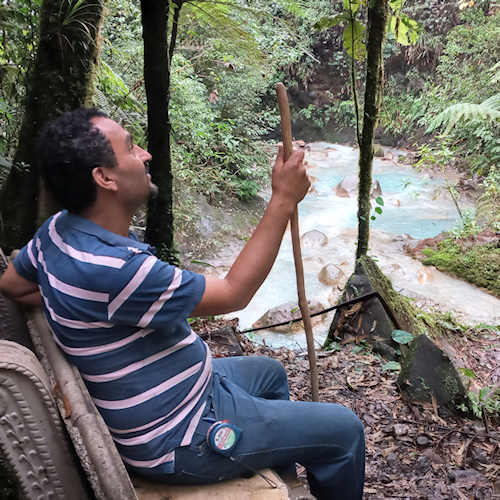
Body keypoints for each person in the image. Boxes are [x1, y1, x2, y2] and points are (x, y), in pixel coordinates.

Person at [0, 108, 365, 499]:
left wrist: (78, 304)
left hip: (190, 389)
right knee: (345, 431)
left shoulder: (57, 231)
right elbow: (233, 293)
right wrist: (283, 199)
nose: (145, 154)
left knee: (271, 372)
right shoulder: (119, 271)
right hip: (181, 436)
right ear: (104, 178)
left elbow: (13, 285)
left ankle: (283, 484)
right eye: (130, 147)